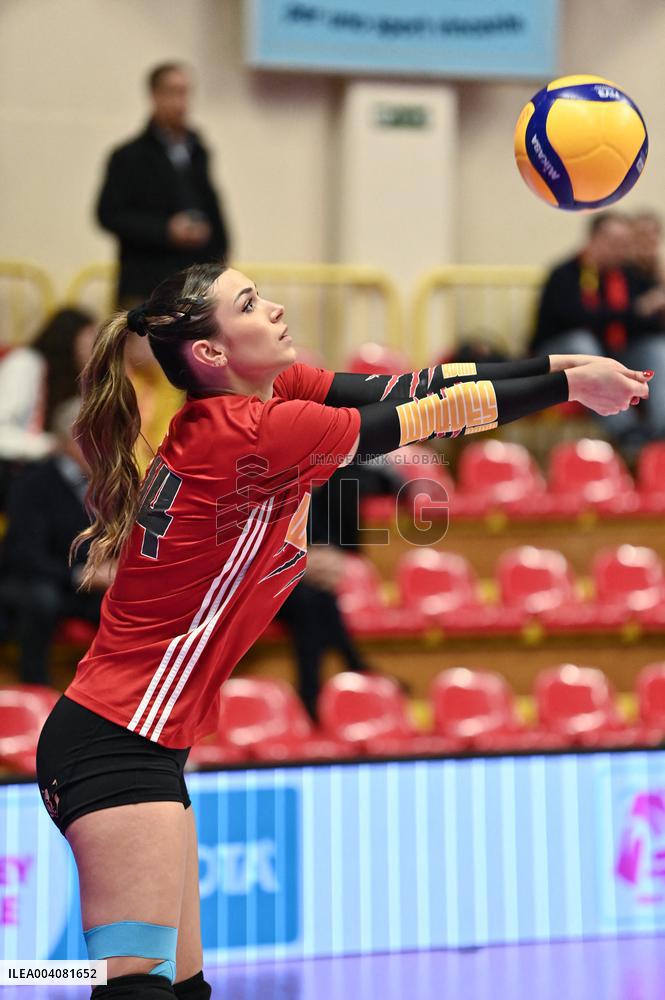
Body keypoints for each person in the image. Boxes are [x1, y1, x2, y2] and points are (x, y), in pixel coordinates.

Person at [34, 262, 650, 1000]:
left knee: (177, 984)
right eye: (251, 305)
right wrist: (568, 390)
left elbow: (415, 384)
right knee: (135, 987)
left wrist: (561, 365)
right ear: (212, 354)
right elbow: (432, 417)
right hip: (113, 739)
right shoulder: (254, 431)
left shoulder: (268, 400)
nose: (278, 308)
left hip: (145, 742)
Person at [97, 63, 230, 307]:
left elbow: (213, 207)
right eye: (172, 92)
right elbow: (108, 214)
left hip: (192, 285)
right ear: (154, 95)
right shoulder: (128, 156)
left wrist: (221, 258)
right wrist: (166, 230)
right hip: (145, 284)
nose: (181, 102)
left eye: (185, 92)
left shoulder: (198, 150)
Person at [531, 211, 665, 449]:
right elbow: (579, 319)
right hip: (562, 358)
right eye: (615, 243)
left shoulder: (628, 275)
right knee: (583, 344)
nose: (622, 251)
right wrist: (636, 310)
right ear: (594, 239)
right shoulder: (565, 274)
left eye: (625, 245)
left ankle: (658, 435)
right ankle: (628, 433)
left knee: (656, 349)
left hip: (613, 353)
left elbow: (645, 324)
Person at [0, 399, 111, 684]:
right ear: (69, 441)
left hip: (89, 583)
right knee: (41, 599)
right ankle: (35, 684)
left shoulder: (109, 484)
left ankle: (117, 686)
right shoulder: (34, 482)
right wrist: (81, 575)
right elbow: (24, 555)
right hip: (36, 579)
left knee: (135, 600)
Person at [0, 308, 97, 508]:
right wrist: (52, 446)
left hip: (31, 473)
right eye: (87, 343)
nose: (91, 352)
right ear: (69, 340)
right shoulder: (26, 363)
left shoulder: (66, 380)